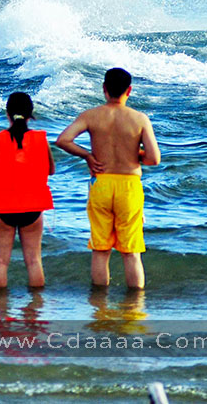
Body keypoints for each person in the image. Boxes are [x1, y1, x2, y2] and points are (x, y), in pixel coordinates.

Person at [55, 68, 160, 289]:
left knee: (100, 250)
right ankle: (133, 309)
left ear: (104, 89)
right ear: (129, 90)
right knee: (131, 252)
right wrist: (135, 154)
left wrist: (87, 155)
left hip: (101, 183)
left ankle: (100, 306)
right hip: (128, 186)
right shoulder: (139, 119)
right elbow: (154, 158)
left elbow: (63, 140)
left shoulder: (91, 115)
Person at [0, 91, 55, 289]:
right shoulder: (41, 138)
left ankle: (2, 313)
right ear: (31, 115)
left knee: (1, 261)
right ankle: (34, 312)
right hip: (33, 207)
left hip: (4, 208)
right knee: (34, 261)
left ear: (7, 114)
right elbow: (51, 170)